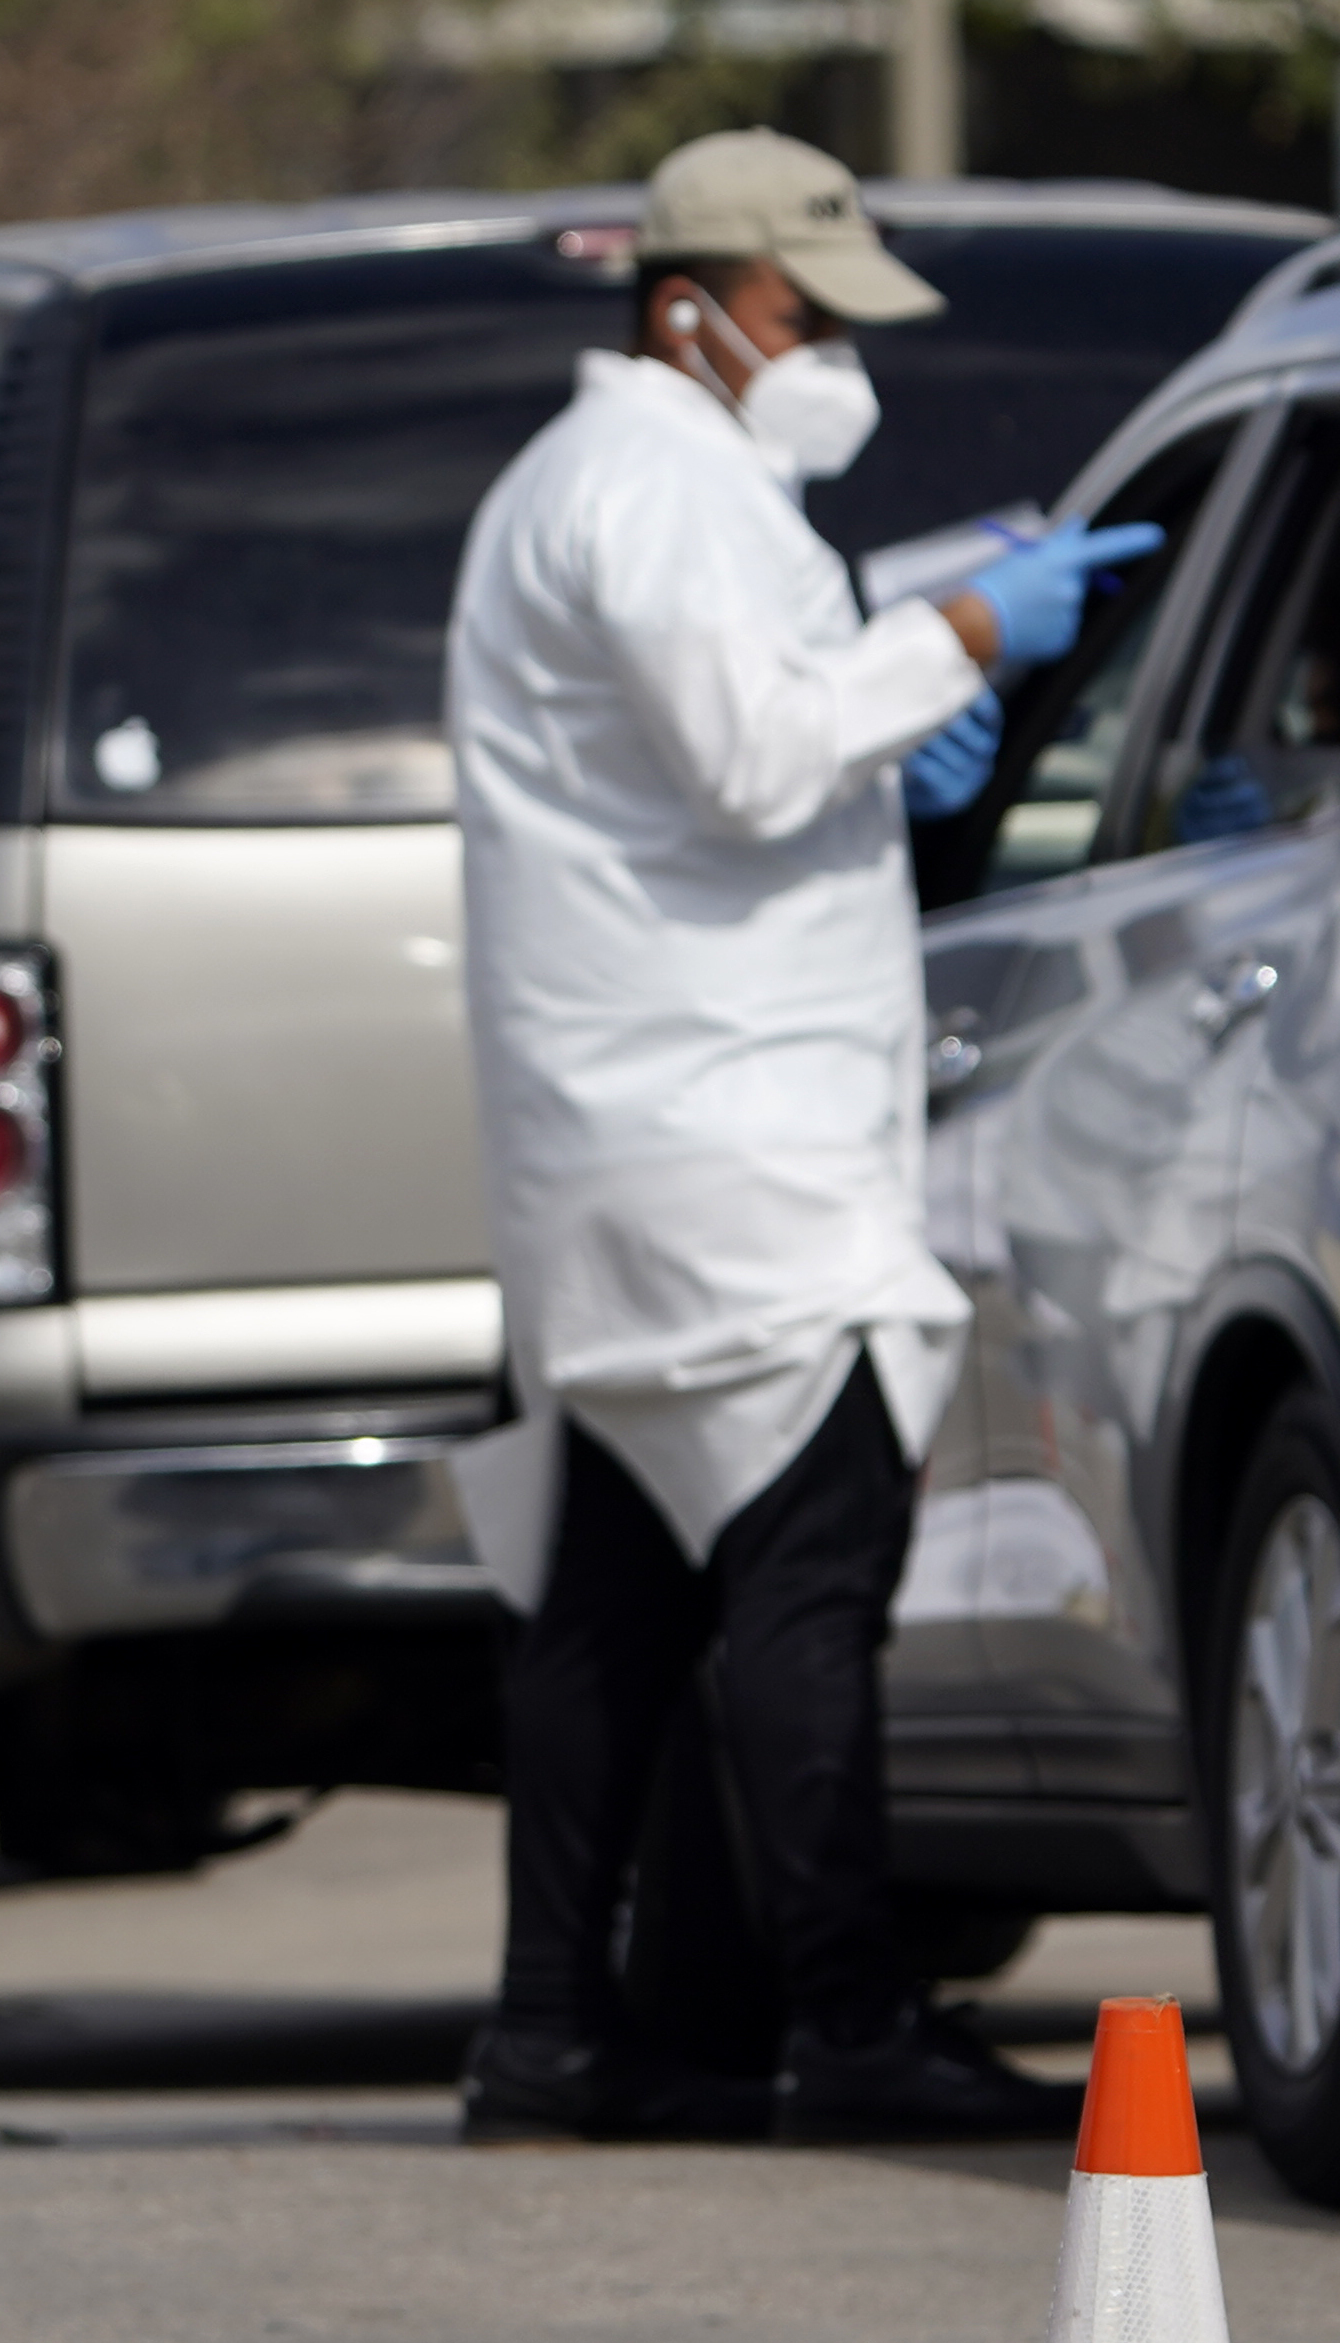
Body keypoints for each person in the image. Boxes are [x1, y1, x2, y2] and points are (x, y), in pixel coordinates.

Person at [442, 128, 1157, 2140]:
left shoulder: (614, 488)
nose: (831, 351)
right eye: (801, 313)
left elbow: (729, 750)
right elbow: (753, 749)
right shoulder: (652, 487)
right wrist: (953, 642)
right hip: (717, 1141)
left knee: (614, 1593)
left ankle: (551, 2026)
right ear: (687, 309)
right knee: (808, 1563)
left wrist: (898, 706)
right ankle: (847, 2018)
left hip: (638, 1131)